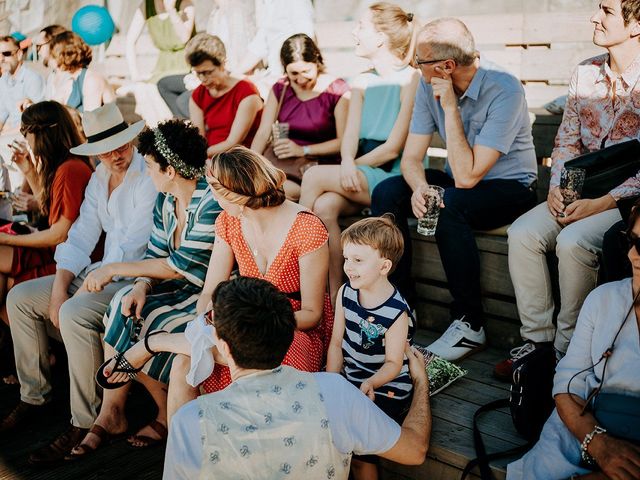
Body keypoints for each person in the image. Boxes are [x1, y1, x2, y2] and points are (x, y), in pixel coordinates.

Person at [97, 146, 333, 423]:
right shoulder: (229, 222)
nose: (209, 194)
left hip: (292, 328)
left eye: (212, 188)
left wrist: (244, 327)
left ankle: (153, 344)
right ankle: (184, 456)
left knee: (217, 355)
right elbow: (210, 291)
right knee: (186, 363)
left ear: (231, 195)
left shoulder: (307, 227)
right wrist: (206, 323)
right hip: (241, 318)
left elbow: (312, 314)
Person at [371, 18, 538, 362]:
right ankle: (400, 304)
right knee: (388, 192)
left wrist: (449, 107)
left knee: (450, 202)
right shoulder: (426, 84)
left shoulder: (504, 89)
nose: (415, 67)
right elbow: (412, 159)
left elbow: (467, 177)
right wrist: (419, 188)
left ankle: (469, 323)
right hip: (462, 183)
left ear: (446, 67)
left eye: (420, 62)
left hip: (511, 188)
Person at [1, 103, 156, 464]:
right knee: (21, 297)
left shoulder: (146, 175)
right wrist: (59, 287)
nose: (116, 155)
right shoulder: (99, 177)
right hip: (99, 272)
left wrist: (79, 289)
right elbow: (79, 237)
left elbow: (137, 241)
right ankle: (34, 395)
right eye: (107, 149)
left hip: (135, 278)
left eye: (122, 145)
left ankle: (86, 420)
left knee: (73, 312)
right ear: (95, 150)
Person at [163, 276, 430, 479]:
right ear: (289, 335)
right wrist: (420, 383)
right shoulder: (335, 392)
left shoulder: (190, 420)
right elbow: (415, 450)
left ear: (223, 346)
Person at [499, 0, 640, 380]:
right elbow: (566, 141)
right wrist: (557, 187)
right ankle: (537, 345)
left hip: (627, 198)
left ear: (636, 25)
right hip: (578, 189)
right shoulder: (585, 72)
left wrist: (606, 202)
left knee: (574, 241)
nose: (595, 17)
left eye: (607, 11)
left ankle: (567, 352)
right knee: (523, 233)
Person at [67, 119, 221, 456]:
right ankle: (113, 413)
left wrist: (114, 269)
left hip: (208, 292)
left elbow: (178, 265)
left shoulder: (209, 201)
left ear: (170, 170)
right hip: (178, 288)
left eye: (150, 166)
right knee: (123, 303)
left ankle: (165, 414)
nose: (147, 172)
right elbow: (155, 253)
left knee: (153, 322)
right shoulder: (168, 201)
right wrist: (139, 285)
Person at [506, 201, 640, 480]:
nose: (633, 256)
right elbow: (568, 383)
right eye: (633, 241)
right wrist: (598, 444)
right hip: (577, 437)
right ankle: (539, 345)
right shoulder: (604, 299)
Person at [299, 3, 420, 301]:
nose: (354, 32)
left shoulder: (411, 79)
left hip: (391, 174)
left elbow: (393, 147)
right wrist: (347, 162)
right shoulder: (362, 80)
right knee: (326, 206)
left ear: (380, 37)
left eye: (361, 27)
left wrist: (349, 168)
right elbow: (350, 136)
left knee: (313, 175)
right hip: (359, 171)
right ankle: (335, 293)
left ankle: (290, 258)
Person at [327, 216, 415, 480]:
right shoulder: (346, 293)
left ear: (384, 266)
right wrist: (332, 382)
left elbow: (393, 364)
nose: (348, 268)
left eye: (358, 261)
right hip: (350, 379)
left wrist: (371, 383)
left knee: (361, 450)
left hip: (385, 387)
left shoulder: (396, 312)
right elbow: (335, 343)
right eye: (346, 259)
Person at [0, 101, 93, 321]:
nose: (25, 140)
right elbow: (49, 209)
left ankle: (46, 354)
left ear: (40, 133)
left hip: (67, 260)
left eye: (25, 132)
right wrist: (29, 170)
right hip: (57, 252)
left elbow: (57, 234)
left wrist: (6, 238)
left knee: (8, 287)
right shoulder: (65, 165)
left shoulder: (70, 170)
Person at [251, 33, 350, 201]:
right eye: (294, 73)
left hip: (320, 163)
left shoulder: (337, 90)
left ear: (317, 62)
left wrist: (302, 149)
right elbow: (263, 132)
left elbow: (344, 141)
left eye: (306, 71)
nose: (301, 79)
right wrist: (252, 164)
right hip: (283, 162)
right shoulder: (281, 88)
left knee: (271, 191)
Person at [157, 0, 256, 119]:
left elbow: (238, 58)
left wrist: (206, 76)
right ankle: (188, 127)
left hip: (223, 74)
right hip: (208, 69)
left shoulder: (236, 11)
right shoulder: (216, 11)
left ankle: (207, 125)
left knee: (184, 101)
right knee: (165, 84)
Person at [188, 34, 262, 157]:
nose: (203, 79)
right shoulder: (198, 95)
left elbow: (234, 143)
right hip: (209, 157)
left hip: (238, 159)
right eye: (198, 73)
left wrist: (201, 155)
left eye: (208, 72)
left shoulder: (246, 93)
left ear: (222, 64)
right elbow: (199, 140)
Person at [125, 0, 195, 125]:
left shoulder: (185, 4)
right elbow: (129, 41)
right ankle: (161, 134)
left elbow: (184, 38)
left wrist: (171, 11)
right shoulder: (146, 6)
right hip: (162, 67)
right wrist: (135, 74)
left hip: (186, 65)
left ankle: (174, 130)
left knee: (155, 88)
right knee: (143, 89)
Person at [233, 0, 315, 99]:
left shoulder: (296, 3)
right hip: (274, 75)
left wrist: (287, 76)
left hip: (292, 78)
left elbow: (306, 42)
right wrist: (234, 74)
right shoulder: (266, 3)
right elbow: (259, 45)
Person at [46, 31, 115, 113]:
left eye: (54, 56)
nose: (51, 60)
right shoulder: (72, 79)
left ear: (66, 55)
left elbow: (90, 120)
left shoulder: (91, 80)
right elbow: (51, 107)